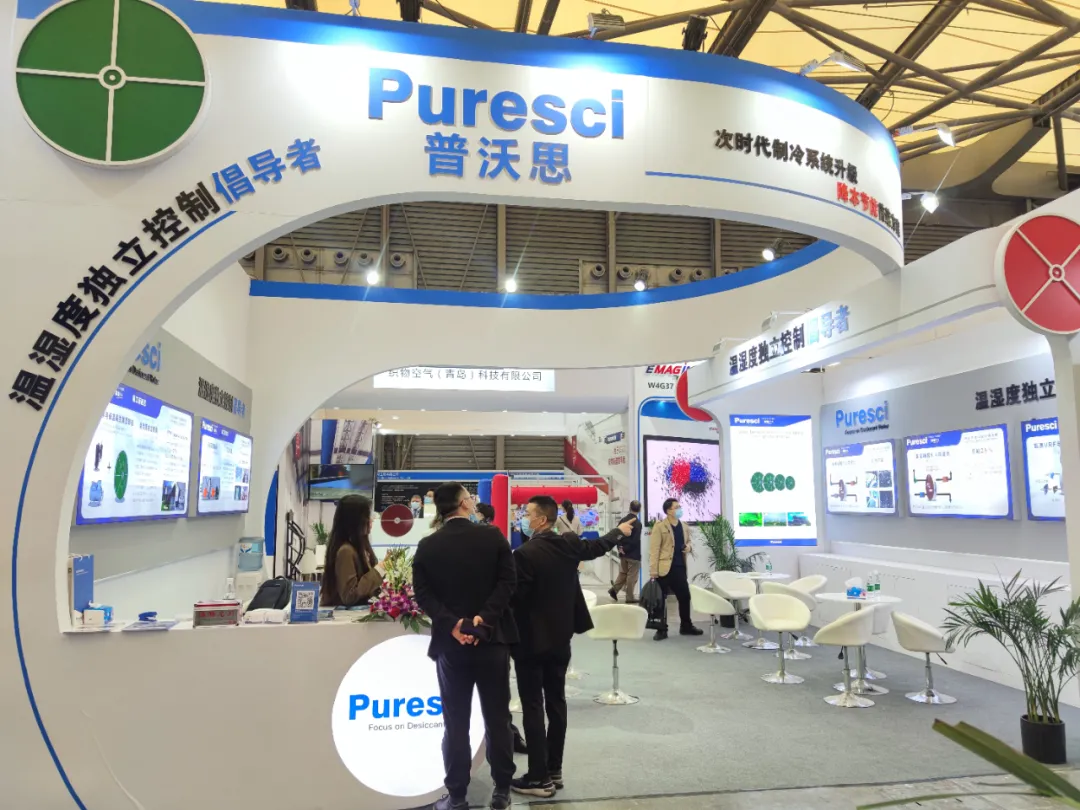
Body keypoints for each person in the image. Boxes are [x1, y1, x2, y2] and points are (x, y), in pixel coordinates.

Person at [509, 496, 636, 797]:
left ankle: (538, 778)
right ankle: (554, 770)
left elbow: (516, 599)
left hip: (530, 643)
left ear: (541, 519)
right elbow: (597, 547)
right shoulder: (568, 544)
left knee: (532, 706)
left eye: (527, 513)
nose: (523, 518)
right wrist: (618, 531)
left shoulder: (524, 554)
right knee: (556, 703)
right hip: (560, 640)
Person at [412, 483, 518, 810]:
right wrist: (483, 620)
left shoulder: (428, 545)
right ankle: (502, 789)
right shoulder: (493, 537)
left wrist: (453, 624)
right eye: (470, 498)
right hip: (492, 641)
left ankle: (457, 794)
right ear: (463, 504)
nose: (473, 502)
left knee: (455, 721)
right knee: (497, 717)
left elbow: (423, 594)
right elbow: (508, 582)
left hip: (451, 644)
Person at [320, 494, 389, 607]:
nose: (371, 520)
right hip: (344, 616)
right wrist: (379, 570)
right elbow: (349, 595)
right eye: (368, 516)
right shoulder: (346, 551)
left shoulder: (361, 547)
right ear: (356, 521)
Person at [648, 498, 702, 641]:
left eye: (679, 506)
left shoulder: (684, 526)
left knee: (685, 597)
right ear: (668, 511)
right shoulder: (660, 526)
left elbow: (688, 541)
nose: (679, 509)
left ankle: (686, 626)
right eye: (676, 507)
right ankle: (661, 629)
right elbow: (654, 550)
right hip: (663, 569)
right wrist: (653, 571)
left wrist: (689, 547)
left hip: (679, 567)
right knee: (661, 600)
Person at [609, 500, 642, 603]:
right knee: (632, 576)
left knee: (623, 573)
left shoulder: (623, 520)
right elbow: (635, 541)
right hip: (633, 554)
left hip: (623, 553)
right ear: (640, 509)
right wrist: (625, 549)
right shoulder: (638, 523)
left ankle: (614, 590)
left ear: (630, 508)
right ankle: (630, 597)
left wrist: (620, 548)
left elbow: (617, 535)